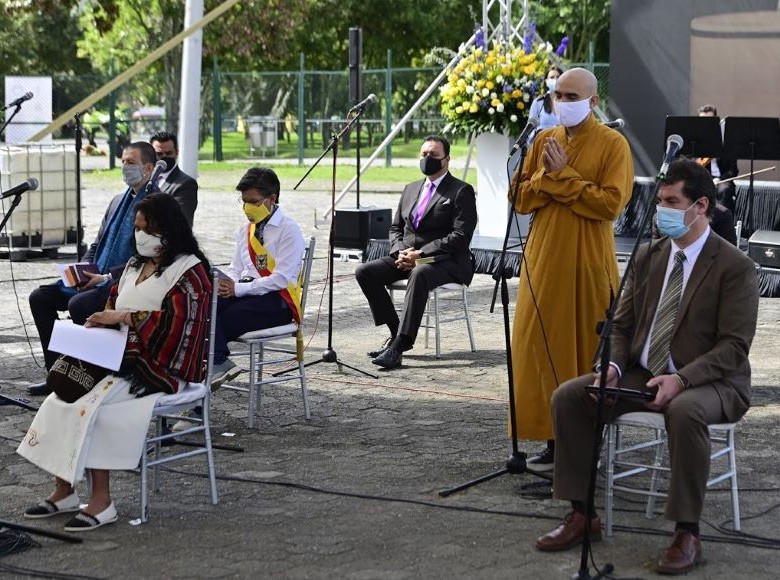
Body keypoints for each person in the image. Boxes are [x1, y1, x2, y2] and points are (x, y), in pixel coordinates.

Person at [536, 159, 758, 575]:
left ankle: (687, 532)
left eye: (672, 202)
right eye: (659, 202)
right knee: (570, 395)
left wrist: (681, 379)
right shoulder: (648, 256)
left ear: (701, 206)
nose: (662, 212)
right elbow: (621, 324)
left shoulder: (734, 266)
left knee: (684, 409)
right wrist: (615, 368)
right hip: (643, 369)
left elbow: (734, 347)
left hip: (711, 379)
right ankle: (583, 515)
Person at [17, 193, 212, 531]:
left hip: (158, 366)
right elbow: (112, 301)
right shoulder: (134, 266)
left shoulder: (191, 272)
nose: (140, 236)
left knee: (96, 407)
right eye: (137, 228)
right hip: (115, 357)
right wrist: (100, 320)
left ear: (167, 230)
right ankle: (64, 488)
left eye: (147, 229)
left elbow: (179, 327)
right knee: (61, 396)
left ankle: (102, 501)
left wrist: (124, 317)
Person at [508, 68, 634, 471]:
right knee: (538, 347)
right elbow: (520, 197)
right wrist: (552, 180)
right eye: (557, 95)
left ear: (593, 101)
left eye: (571, 95)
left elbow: (610, 204)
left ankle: (585, 443)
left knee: (582, 348)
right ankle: (550, 438)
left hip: (586, 259)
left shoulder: (613, 144)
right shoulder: (543, 139)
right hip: (542, 258)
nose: (562, 102)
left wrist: (559, 179)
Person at [27, 142, 158, 397]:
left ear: (148, 168)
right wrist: (82, 269)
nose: (125, 168)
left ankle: (90, 374)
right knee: (40, 298)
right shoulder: (118, 200)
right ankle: (56, 372)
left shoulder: (155, 204)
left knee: (79, 304)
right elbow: (98, 243)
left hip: (121, 280)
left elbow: (148, 254)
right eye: (123, 162)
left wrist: (107, 276)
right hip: (95, 275)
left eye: (131, 163)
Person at [355, 135, 477, 370]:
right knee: (365, 272)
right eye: (423, 154)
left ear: (447, 159)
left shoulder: (461, 191)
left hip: (446, 260)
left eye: (433, 155)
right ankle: (395, 332)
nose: (427, 159)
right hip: (408, 256)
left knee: (420, 273)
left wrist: (420, 254)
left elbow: (461, 236)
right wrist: (401, 252)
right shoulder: (411, 189)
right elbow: (395, 228)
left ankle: (400, 346)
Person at [212, 167, 305, 386]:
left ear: (271, 199)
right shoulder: (245, 229)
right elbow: (236, 268)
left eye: (253, 202)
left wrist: (239, 289)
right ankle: (213, 365)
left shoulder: (288, 230)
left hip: (277, 300)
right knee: (204, 309)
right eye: (243, 201)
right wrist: (227, 284)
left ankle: (214, 362)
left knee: (220, 320)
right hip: (247, 293)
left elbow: (281, 279)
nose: (247, 208)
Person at [149, 131, 199, 226]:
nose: (164, 157)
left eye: (168, 153)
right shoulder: (145, 179)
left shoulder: (186, 184)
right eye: (159, 154)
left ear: (177, 152)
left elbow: (181, 219)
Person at [697, 104, 739, 213]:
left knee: (724, 189)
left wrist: (719, 179)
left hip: (722, 181)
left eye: (710, 120)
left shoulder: (726, 140)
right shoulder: (695, 141)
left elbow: (733, 170)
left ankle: (723, 223)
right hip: (703, 181)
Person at [527, 65, 563, 141]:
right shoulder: (538, 102)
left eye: (558, 77)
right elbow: (529, 129)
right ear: (546, 81)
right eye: (552, 77)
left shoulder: (568, 102)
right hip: (543, 145)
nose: (555, 80)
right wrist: (539, 132)